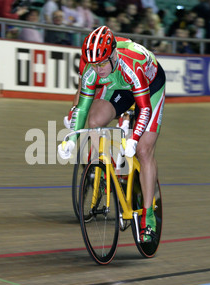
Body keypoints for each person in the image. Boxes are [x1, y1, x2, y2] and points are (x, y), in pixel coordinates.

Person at [58, 26, 166, 243]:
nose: (98, 70)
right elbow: (82, 106)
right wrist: (70, 138)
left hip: (149, 87)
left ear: (114, 55)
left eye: (102, 64)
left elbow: (144, 108)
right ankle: (105, 167)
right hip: (121, 87)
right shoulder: (93, 69)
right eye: (94, 65)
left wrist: (134, 140)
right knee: (96, 120)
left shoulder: (130, 66)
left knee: (144, 151)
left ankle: (149, 216)